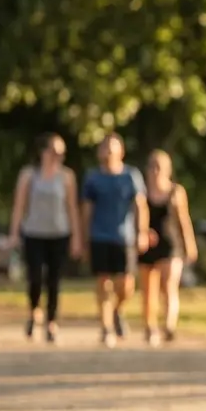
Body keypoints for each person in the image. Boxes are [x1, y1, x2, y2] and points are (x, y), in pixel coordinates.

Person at [8, 133, 83, 343]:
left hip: (59, 233)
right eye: (54, 152)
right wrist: (14, 233)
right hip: (34, 233)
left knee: (54, 280)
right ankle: (34, 311)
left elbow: (72, 208)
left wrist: (76, 237)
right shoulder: (29, 175)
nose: (58, 156)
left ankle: (52, 321)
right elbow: (19, 206)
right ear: (43, 152)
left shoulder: (66, 177)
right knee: (35, 277)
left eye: (62, 153)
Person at [81, 133, 148, 348]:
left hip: (124, 237)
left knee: (126, 284)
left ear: (121, 150)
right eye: (105, 147)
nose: (109, 151)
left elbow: (140, 206)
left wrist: (142, 232)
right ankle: (106, 327)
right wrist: (83, 238)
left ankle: (117, 309)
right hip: (99, 236)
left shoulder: (131, 176)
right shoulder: (93, 178)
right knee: (103, 281)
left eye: (112, 147)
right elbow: (87, 210)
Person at [137, 151, 197, 346]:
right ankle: (150, 326)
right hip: (147, 245)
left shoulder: (176, 192)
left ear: (168, 170)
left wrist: (189, 244)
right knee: (149, 290)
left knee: (169, 285)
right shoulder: (141, 194)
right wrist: (142, 233)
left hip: (171, 245)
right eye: (152, 166)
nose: (155, 171)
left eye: (159, 167)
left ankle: (169, 326)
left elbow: (183, 220)